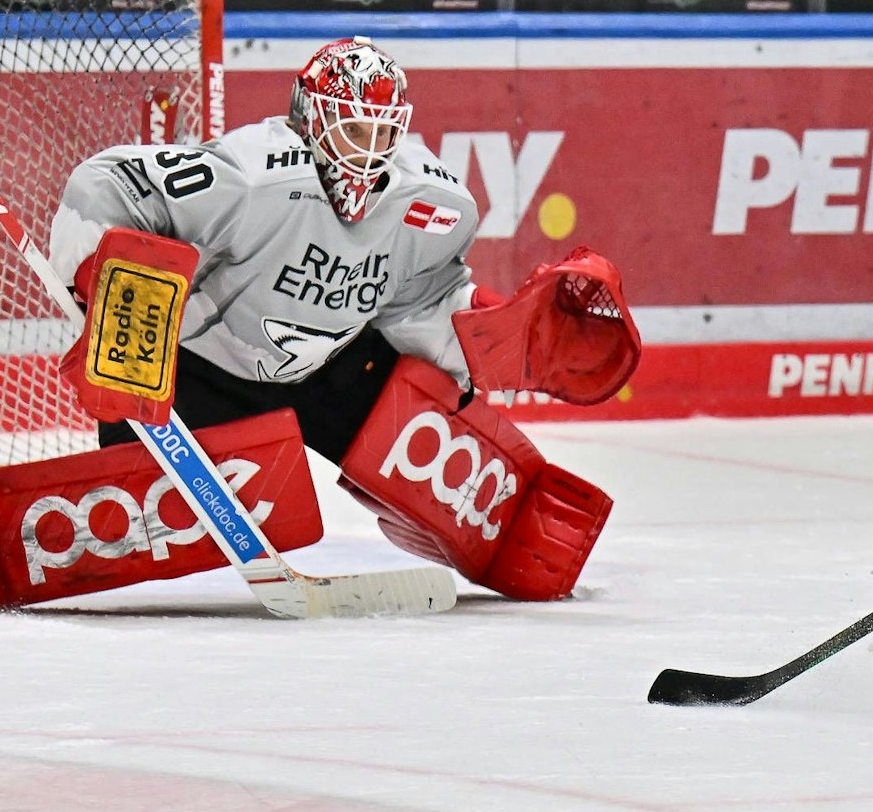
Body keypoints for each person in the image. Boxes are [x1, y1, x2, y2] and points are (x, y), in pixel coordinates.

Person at [32, 38, 639, 604]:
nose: (367, 148)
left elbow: (418, 305)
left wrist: (502, 331)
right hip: (201, 369)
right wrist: (111, 294)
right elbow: (107, 183)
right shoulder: (251, 175)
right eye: (352, 128)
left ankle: (500, 523)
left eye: (382, 131)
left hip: (330, 367)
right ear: (311, 118)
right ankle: (54, 533)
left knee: (412, 412)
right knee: (128, 503)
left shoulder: (431, 202)